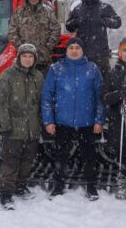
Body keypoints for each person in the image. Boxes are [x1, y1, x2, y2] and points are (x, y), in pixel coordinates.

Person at [41, 37, 105, 200]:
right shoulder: (56, 69)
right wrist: (48, 121)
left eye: (78, 47)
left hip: (87, 122)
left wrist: (99, 120)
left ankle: (91, 186)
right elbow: (47, 96)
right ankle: (58, 185)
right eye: (71, 48)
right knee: (61, 155)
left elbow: (100, 96)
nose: (75, 50)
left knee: (89, 156)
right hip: (63, 121)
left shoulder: (92, 68)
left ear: (82, 50)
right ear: (66, 50)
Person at [0, 44, 44, 210]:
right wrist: (5, 124)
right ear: (19, 58)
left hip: (32, 128)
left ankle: (20, 187)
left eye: (31, 56)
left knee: (27, 161)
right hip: (13, 128)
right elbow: (0, 102)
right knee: (10, 162)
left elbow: (41, 102)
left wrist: (41, 123)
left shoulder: (38, 76)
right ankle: (5, 193)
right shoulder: (8, 75)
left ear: (35, 59)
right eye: (25, 56)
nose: (28, 59)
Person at [65, 0, 121, 78]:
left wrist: (105, 21)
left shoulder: (104, 7)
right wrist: (77, 21)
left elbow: (118, 22)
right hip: (82, 54)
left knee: (103, 83)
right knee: (83, 83)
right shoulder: (77, 9)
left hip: (101, 54)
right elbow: (68, 25)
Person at [8, 0, 61, 75]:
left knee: (43, 86)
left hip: (43, 60)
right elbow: (12, 32)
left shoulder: (47, 12)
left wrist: (48, 47)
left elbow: (56, 29)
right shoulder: (19, 12)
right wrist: (21, 48)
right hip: (25, 60)